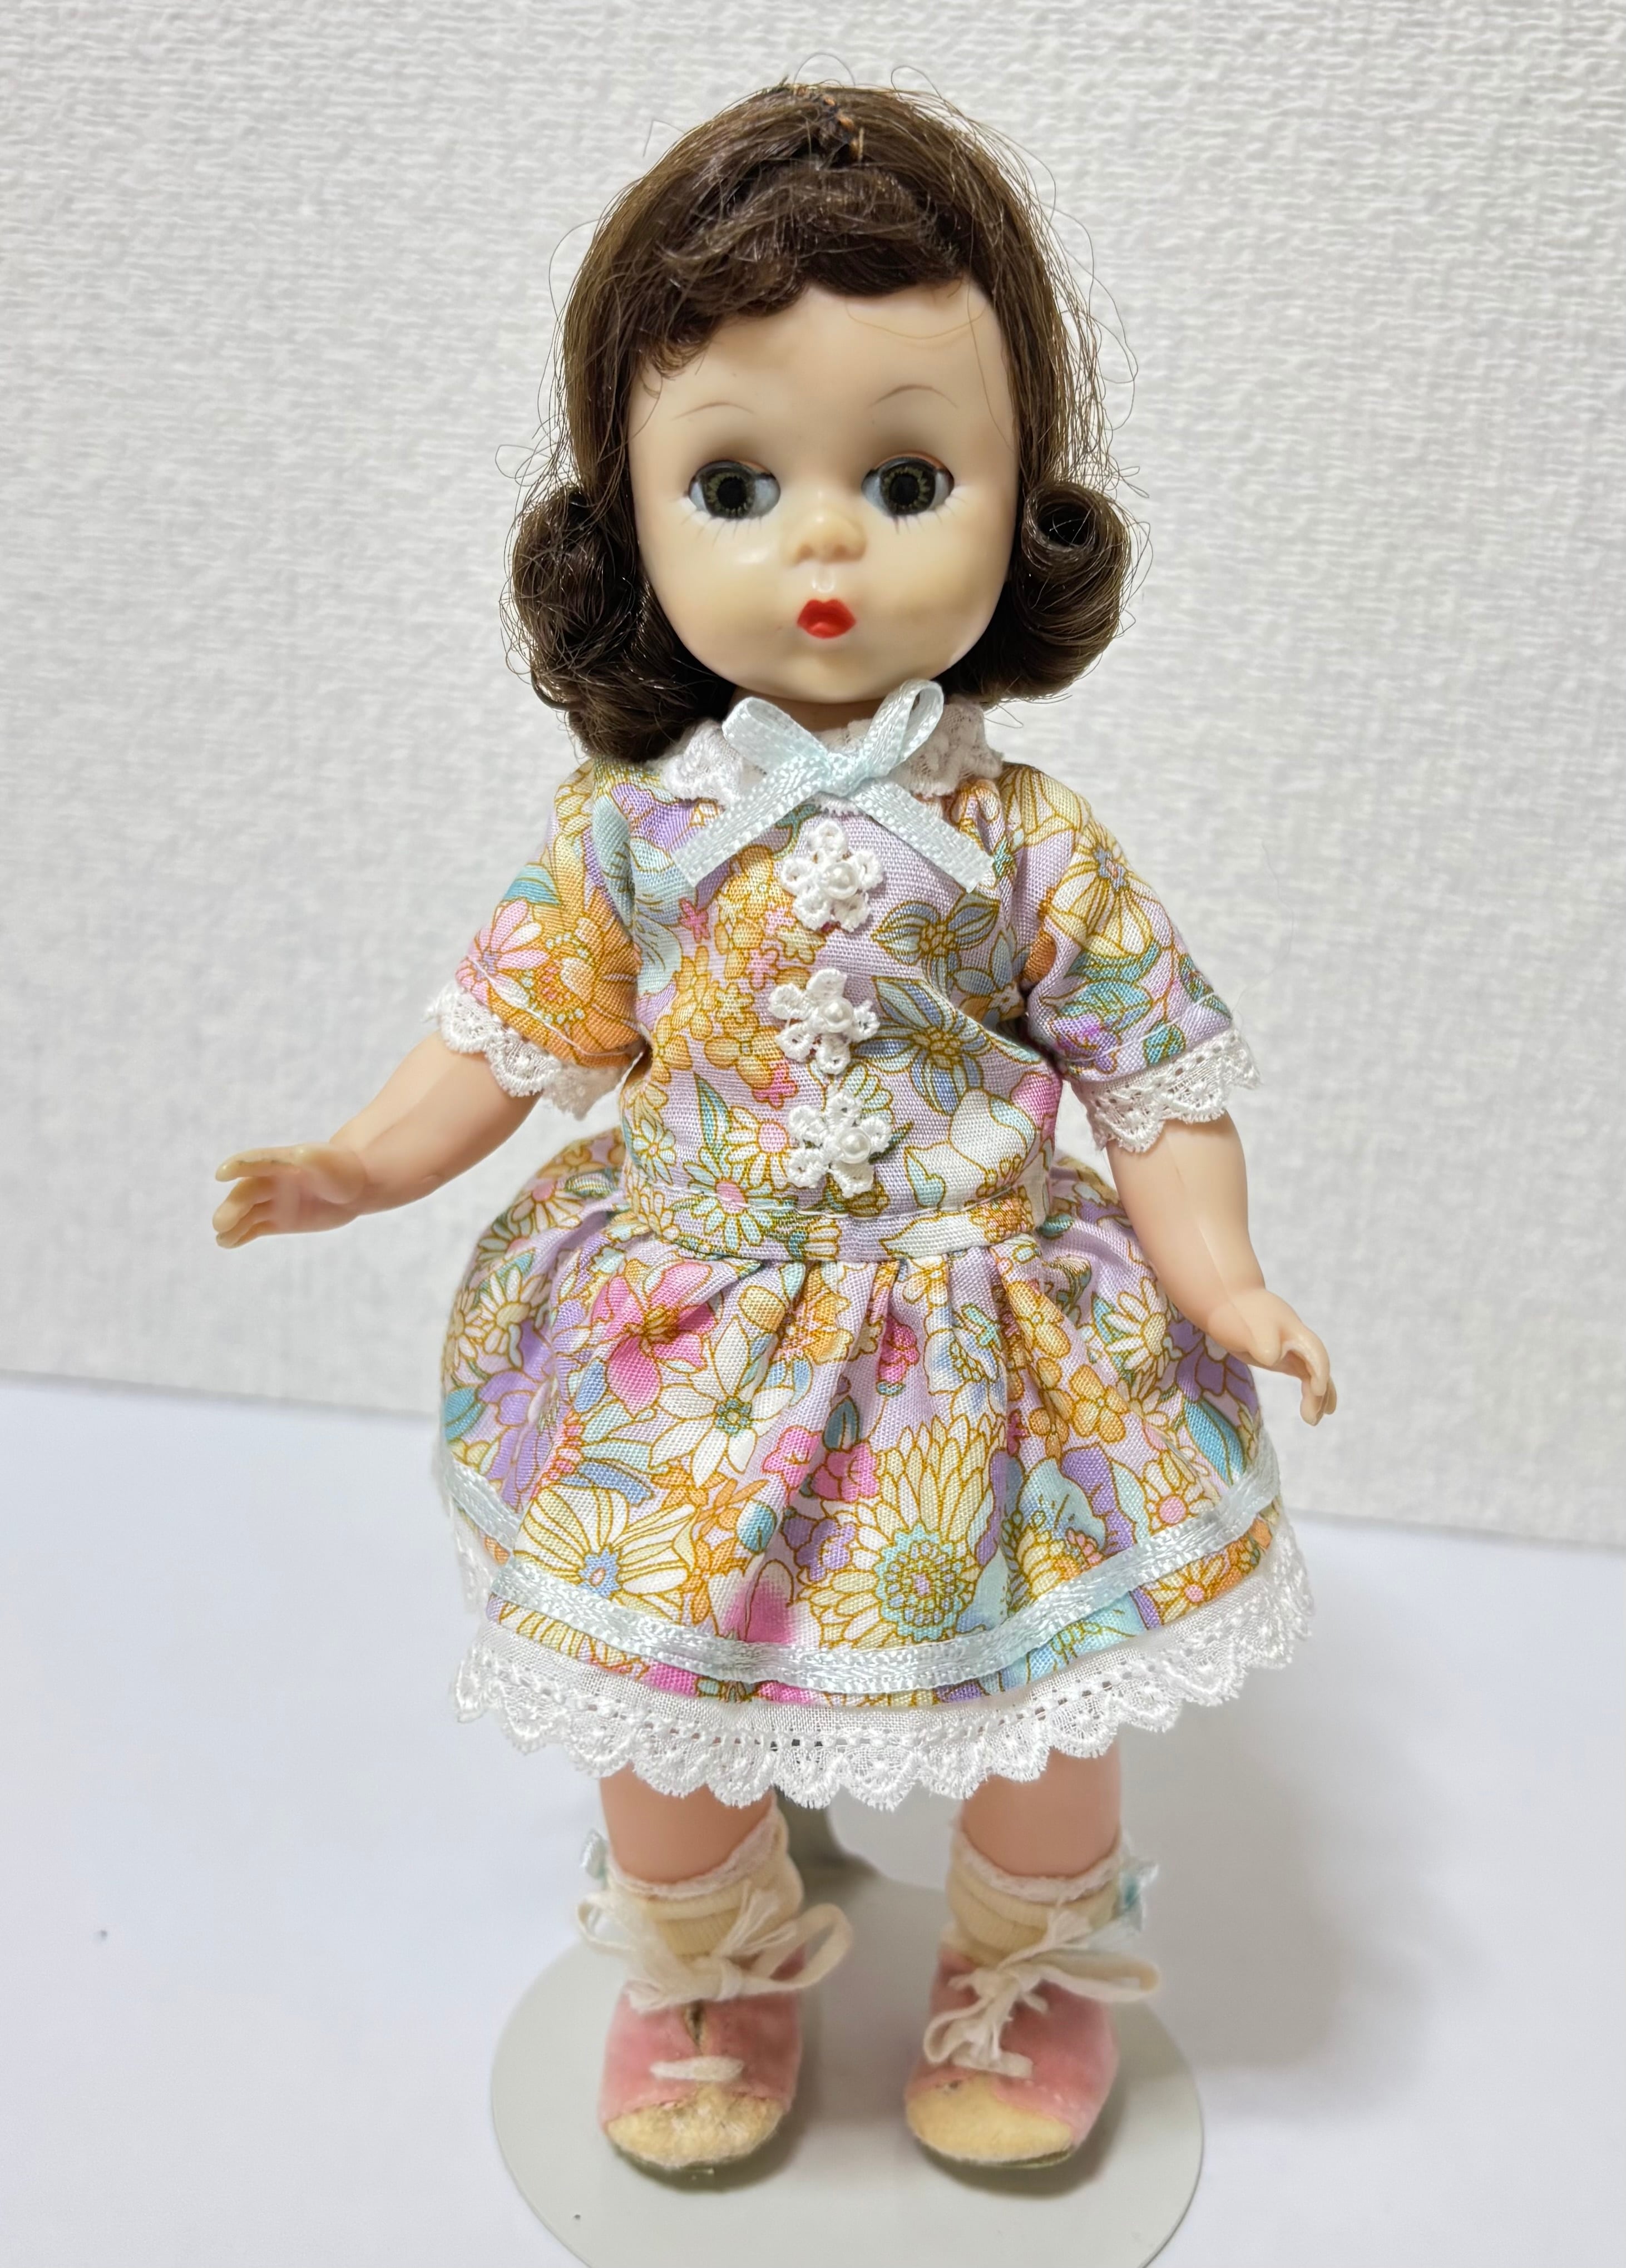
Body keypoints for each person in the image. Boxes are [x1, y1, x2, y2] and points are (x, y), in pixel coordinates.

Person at [215, 83, 1335, 2177]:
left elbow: (1149, 1073)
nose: (824, 542)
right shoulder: (632, 831)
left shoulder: (1023, 835)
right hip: (695, 1330)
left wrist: (1222, 1276)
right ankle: (705, 1953)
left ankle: (1024, 1955)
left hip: (982, 1335)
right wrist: (363, 1161)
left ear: (1022, 498)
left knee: (1040, 1708)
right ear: (625, 521)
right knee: (665, 1693)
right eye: (734, 483)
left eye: (905, 478)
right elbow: (511, 1022)